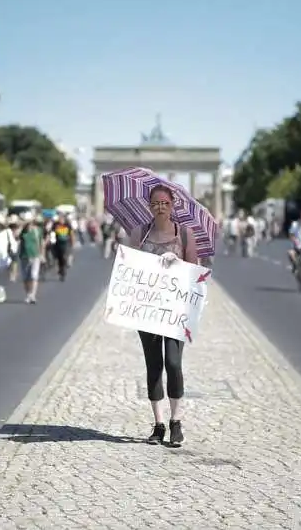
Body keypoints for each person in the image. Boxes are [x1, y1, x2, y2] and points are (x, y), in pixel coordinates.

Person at [127, 185, 198, 448]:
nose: (160, 207)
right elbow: (130, 268)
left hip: (175, 311)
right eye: (155, 203)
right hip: (147, 311)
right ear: (149, 206)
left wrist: (177, 262)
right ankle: (158, 424)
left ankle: (176, 421)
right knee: (154, 366)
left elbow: (196, 271)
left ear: (173, 204)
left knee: (174, 363)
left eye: (165, 203)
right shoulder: (139, 234)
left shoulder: (185, 235)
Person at [17, 212, 45, 304]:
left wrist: (42, 255)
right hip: (24, 256)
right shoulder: (22, 232)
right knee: (25, 278)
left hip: (35, 256)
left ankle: (33, 295)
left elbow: (41, 243)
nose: (28, 224)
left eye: (29, 222)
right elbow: (16, 236)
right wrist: (21, 227)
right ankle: (28, 294)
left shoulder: (37, 230)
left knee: (34, 276)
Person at [51, 213, 75, 281]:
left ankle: (63, 270)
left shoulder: (67, 225)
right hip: (57, 244)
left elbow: (71, 234)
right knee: (59, 258)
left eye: (61, 218)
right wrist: (52, 242)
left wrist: (72, 242)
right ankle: (61, 270)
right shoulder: (55, 224)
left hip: (65, 244)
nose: (60, 219)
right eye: (59, 218)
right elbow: (52, 233)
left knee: (64, 257)